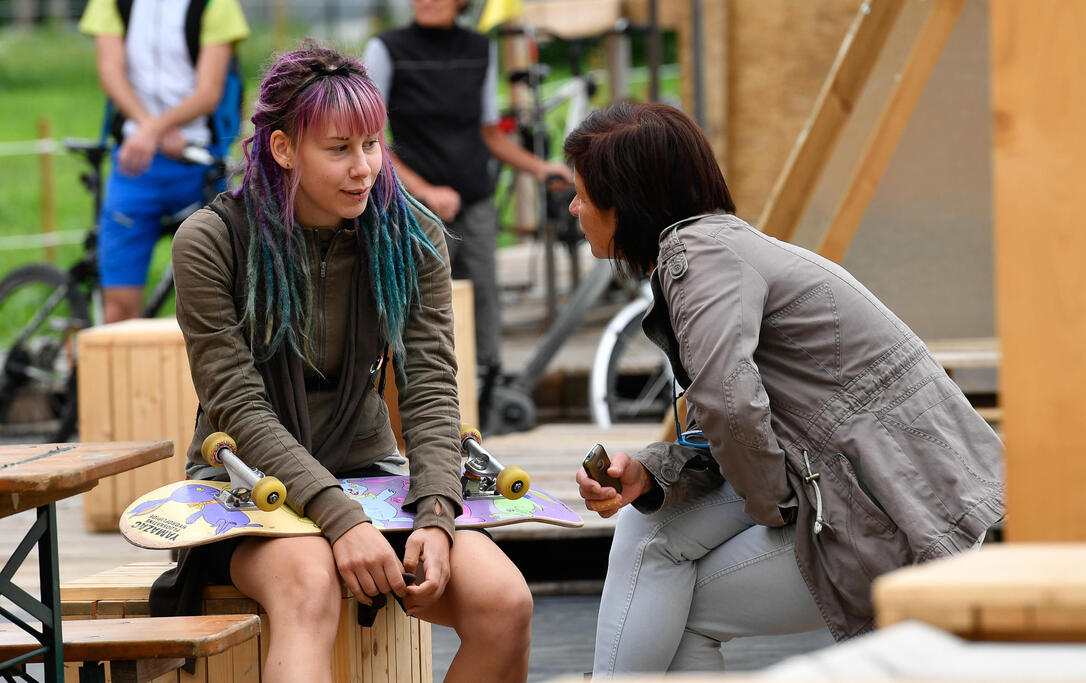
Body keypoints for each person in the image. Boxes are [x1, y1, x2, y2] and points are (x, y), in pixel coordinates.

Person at [567, 103, 1004, 676]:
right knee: (649, 537)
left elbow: (730, 402)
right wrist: (653, 471)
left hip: (900, 515)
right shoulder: (719, 248)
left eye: (581, 194)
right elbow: (736, 420)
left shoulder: (697, 259)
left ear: (624, 201)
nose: (574, 208)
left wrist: (773, 506)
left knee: (669, 588)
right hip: (902, 493)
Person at [150, 41, 533, 683]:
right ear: (282, 149)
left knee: (506, 600)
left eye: (373, 145)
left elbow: (432, 390)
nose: (364, 169)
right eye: (339, 149)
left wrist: (437, 514)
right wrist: (336, 518)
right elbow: (239, 407)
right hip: (247, 485)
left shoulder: (412, 238)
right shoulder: (211, 241)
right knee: (309, 583)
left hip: (373, 476)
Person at [362, 0, 574, 416]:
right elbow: (370, 140)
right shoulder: (385, 48)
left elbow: (490, 135)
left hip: (475, 201)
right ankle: (415, 405)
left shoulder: (481, 48)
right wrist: (425, 191)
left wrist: (540, 168)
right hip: (412, 206)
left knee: (483, 300)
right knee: (420, 305)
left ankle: (487, 398)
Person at [78, 0, 249, 323]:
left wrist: (153, 129)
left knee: (220, 303)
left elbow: (209, 90)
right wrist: (150, 130)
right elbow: (109, 70)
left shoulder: (217, 4)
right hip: (135, 164)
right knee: (118, 310)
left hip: (198, 163)